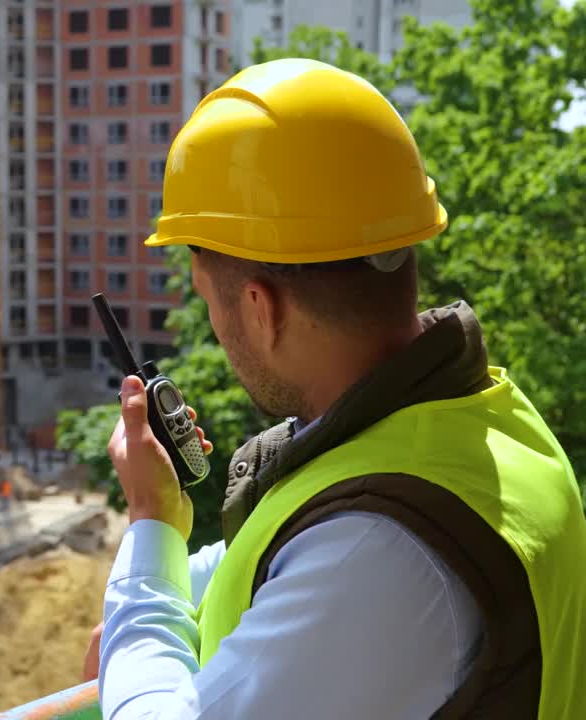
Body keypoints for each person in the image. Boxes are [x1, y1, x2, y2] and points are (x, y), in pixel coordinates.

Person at [85, 59, 586, 719]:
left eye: (211, 300)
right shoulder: (484, 424)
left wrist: (148, 530)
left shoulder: (378, 551)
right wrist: (167, 558)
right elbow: (272, 558)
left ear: (262, 308)